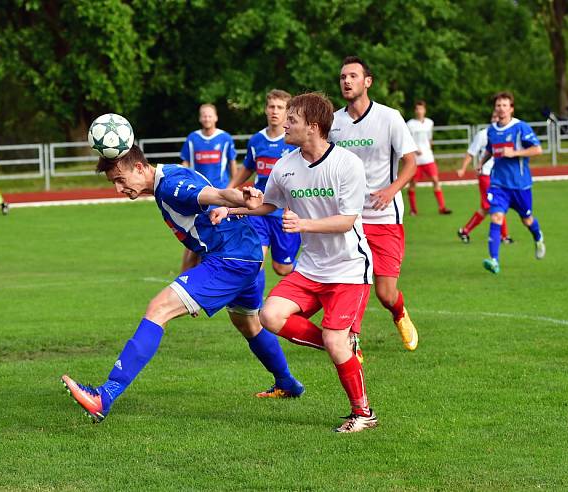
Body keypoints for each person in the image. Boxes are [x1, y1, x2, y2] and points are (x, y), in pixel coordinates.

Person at [61, 145, 304, 423]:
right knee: (248, 324)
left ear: (139, 168)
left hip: (230, 258)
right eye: (113, 183)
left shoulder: (171, 187)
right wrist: (189, 281)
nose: (118, 188)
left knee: (158, 309)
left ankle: (104, 395)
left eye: (120, 179)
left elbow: (211, 195)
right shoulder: (169, 174)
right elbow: (197, 232)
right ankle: (287, 382)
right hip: (243, 254)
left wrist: (236, 195)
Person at [211, 92, 376, 433]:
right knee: (269, 315)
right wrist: (232, 209)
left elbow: (347, 220)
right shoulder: (286, 166)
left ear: (313, 127)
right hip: (311, 268)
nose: (285, 123)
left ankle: (363, 414)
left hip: (349, 269)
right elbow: (267, 204)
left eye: (293, 119)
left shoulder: (347, 164)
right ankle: (342, 345)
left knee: (335, 341)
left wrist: (303, 225)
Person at [328, 56, 419, 351]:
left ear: (368, 81)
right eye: (343, 77)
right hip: (349, 218)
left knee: (385, 292)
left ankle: (399, 312)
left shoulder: (389, 117)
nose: (346, 81)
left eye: (353, 76)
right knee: (353, 281)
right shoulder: (334, 122)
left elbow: (410, 162)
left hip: (383, 217)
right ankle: (351, 340)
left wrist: (392, 190)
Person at [228, 89, 300, 296]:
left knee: (282, 268)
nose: (275, 111)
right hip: (258, 210)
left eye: (280, 107)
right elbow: (247, 169)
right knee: (255, 261)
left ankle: (309, 274)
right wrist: (227, 191)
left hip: (283, 214)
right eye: (271, 106)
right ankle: (255, 312)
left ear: (288, 112)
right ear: (265, 109)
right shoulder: (256, 140)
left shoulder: (293, 142)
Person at [479, 91, 545, 274]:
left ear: (511, 108)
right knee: (496, 217)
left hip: (520, 185)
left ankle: (538, 236)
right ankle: (494, 261)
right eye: (498, 105)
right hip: (499, 184)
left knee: (527, 220)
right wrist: (481, 163)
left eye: (504, 105)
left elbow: (537, 149)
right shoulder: (492, 130)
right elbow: (490, 150)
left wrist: (515, 153)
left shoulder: (521, 127)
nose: (501, 109)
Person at [179, 104, 238, 272]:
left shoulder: (225, 138)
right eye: (204, 116)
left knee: (219, 236)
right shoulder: (192, 139)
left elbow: (233, 167)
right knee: (194, 236)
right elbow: (186, 164)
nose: (207, 118)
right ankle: (186, 275)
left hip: (220, 196)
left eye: (210, 115)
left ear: (216, 117)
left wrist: (232, 190)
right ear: (199, 118)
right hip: (198, 195)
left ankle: (215, 273)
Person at [456, 112, 512, 244]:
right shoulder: (483, 134)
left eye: (499, 117)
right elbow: (471, 152)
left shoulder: (506, 133)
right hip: (486, 175)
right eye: (495, 117)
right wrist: (463, 168)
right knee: (494, 205)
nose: (497, 119)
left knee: (489, 206)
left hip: (499, 176)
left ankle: (465, 231)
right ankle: (504, 236)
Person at [406, 101, 451, 215]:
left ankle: (442, 207)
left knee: (436, 180)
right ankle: (413, 209)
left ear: (424, 110)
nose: (419, 111)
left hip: (428, 158)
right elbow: (407, 140)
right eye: (417, 109)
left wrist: (429, 149)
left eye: (421, 109)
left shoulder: (430, 123)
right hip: (416, 160)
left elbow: (430, 139)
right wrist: (415, 149)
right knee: (413, 183)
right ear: (415, 111)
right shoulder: (410, 124)